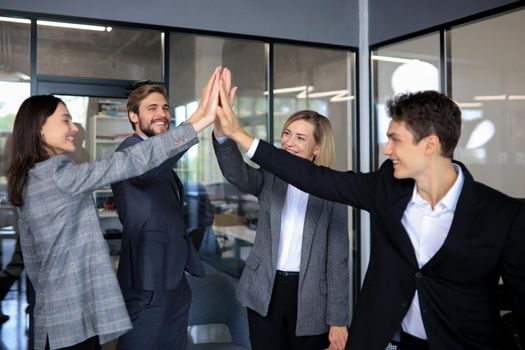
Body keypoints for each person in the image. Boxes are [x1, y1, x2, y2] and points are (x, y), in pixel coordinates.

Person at [215, 88, 525, 350]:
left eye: (395, 140)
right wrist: (236, 135)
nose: (387, 149)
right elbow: (313, 177)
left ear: (430, 144)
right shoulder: (384, 188)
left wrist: (337, 319)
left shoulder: (505, 216)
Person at [6, 68, 220, 350]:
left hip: (63, 313)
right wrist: (199, 122)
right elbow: (125, 163)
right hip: (70, 316)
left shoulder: (32, 176)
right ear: (40, 128)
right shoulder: (55, 174)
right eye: (66, 120)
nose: (73, 127)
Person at [213, 93, 350, 350]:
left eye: (300, 138)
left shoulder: (334, 189)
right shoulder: (270, 176)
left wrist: (338, 320)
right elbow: (236, 172)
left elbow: (338, 261)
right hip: (265, 290)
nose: (288, 142)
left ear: (317, 148)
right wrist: (222, 134)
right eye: (287, 133)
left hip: (311, 298)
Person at [111, 73, 219, 349]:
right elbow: (153, 160)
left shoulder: (159, 158)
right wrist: (200, 117)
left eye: (165, 108)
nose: (162, 114)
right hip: (147, 280)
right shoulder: (127, 155)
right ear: (134, 117)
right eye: (152, 108)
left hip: (174, 279)